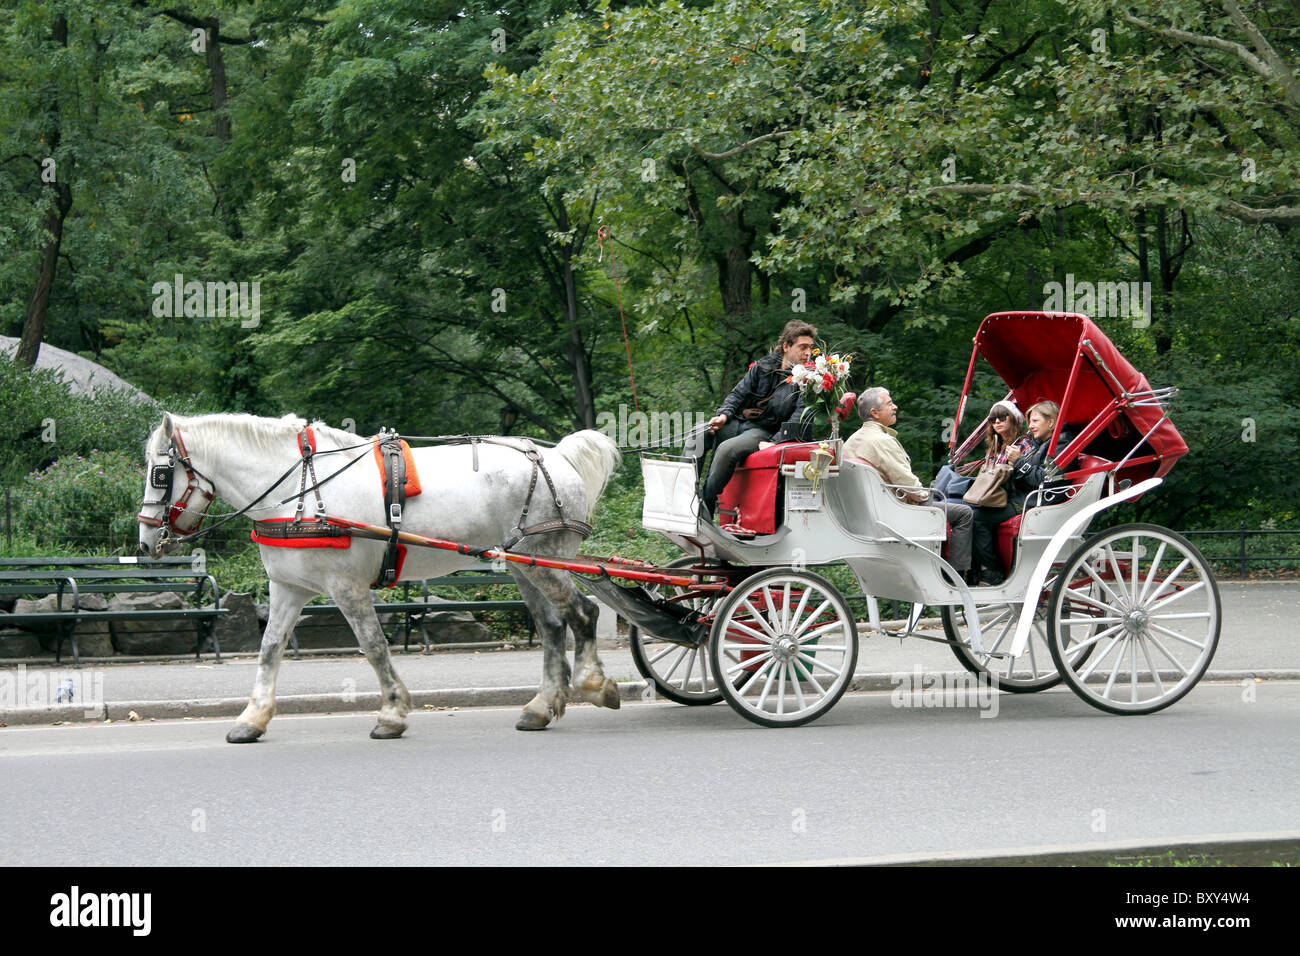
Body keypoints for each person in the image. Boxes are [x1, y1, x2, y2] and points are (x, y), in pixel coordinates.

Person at [842, 387, 973, 582]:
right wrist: (926, 496)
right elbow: (905, 481)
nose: (895, 406)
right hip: (896, 512)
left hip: (869, 513)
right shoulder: (882, 440)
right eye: (889, 404)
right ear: (875, 413)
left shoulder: (851, 441)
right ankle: (956, 576)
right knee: (965, 513)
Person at [694, 320, 817, 516]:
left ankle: (705, 501)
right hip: (739, 423)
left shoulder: (809, 381)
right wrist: (723, 415)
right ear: (786, 346)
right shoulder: (762, 366)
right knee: (698, 434)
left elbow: (798, 419)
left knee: (727, 449)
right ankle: (682, 496)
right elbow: (737, 395)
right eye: (803, 347)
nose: (808, 353)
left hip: (764, 433)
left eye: (810, 348)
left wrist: (774, 443)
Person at [969, 399, 1071, 584]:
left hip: (1036, 503)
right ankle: (984, 569)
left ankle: (992, 572)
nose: (1030, 426)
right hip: (1023, 499)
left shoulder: (1061, 445)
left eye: (1035, 421)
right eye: (1029, 421)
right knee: (973, 511)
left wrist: (1018, 462)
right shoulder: (1040, 444)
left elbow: (1043, 481)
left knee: (977, 517)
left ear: (1051, 422)